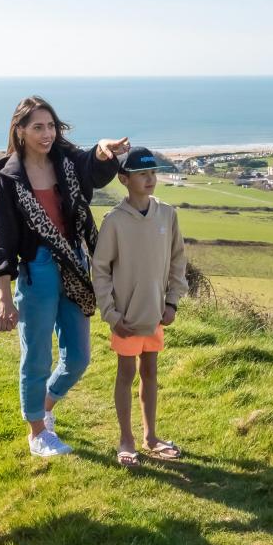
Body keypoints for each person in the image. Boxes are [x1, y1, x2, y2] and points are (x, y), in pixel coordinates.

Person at [0, 95, 129, 457]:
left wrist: (102, 150)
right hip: (37, 271)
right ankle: (37, 433)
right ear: (20, 131)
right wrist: (3, 297)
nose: (47, 133)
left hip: (74, 264)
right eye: (38, 127)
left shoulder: (66, 161)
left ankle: (42, 408)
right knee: (36, 357)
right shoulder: (10, 179)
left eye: (51, 126)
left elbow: (92, 165)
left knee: (78, 357)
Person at [93, 146, 188, 467]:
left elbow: (178, 261)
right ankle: (126, 440)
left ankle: (150, 437)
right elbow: (100, 270)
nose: (150, 179)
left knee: (150, 372)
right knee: (126, 374)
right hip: (126, 318)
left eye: (153, 173)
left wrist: (172, 301)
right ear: (124, 179)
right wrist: (111, 314)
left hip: (157, 314)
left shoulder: (167, 214)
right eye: (142, 174)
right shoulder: (114, 221)